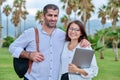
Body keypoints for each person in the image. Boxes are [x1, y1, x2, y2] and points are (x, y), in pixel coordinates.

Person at [9, 4, 90, 80]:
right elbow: (12, 47)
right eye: (50, 15)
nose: (53, 18)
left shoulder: (63, 35)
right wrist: (29, 55)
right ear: (43, 16)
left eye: (55, 16)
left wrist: (83, 40)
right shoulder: (30, 33)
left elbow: (75, 41)